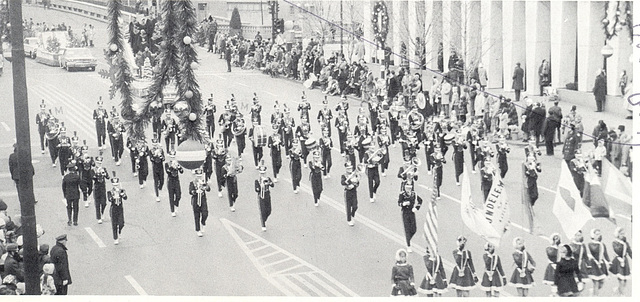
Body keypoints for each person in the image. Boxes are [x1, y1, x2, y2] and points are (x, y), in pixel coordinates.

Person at [398, 182, 422, 252]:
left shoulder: (414, 194)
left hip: (411, 212)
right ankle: (408, 245)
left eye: (409, 188)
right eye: (407, 188)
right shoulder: (402, 194)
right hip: (405, 212)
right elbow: (399, 203)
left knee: (414, 229)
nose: (408, 189)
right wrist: (403, 204)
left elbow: (420, 201)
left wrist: (416, 208)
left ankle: (407, 239)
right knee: (407, 229)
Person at [587, 228, 609, 296]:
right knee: (596, 282)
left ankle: (594, 291)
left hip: (601, 264)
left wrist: (609, 261)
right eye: (597, 234)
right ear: (593, 235)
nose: (599, 236)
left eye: (599, 234)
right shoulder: (590, 244)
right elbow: (589, 253)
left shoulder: (602, 244)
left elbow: (605, 254)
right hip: (593, 264)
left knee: (602, 282)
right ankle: (595, 296)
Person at [609, 227, 631, 296]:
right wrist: (623, 244)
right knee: (621, 280)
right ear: (617, 234)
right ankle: (622, 295)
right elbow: (618, 251)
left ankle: (618, 290)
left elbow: (630, 251)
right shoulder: (615, 242)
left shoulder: (625, 242)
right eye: (621, 234)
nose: (623, 235)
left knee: (625, 281)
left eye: (624, 234)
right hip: (618, 261)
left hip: (625, 261)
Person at [189, 168, 211, 237]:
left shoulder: (203, 181)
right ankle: (198, 230)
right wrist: (195, 192)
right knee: (196, 215)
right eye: (197, 175)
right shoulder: (192, 183)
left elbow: (208, 189)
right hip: (195, 200)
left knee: (205, 213)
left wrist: (206, 187)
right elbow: (190, 191)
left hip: (202, 198)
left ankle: (203, 222)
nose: (199, 177)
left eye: (200, 175)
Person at [107, 173, 127, 245]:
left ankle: (120, 231)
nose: (116, 186)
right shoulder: (110, 192)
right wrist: (113, 197)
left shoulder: (121, 190)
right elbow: (109, 199)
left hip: (120, 208)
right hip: (114, 208)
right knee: (114, 224)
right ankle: (115, 238)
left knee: (121, 223)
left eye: (117, 184)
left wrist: (123, 195)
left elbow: (125, 198)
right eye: (114, 184)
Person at [255, 161, 274, 231]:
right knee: (262, 210)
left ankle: (264, 219)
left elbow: (272, 185)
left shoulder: (268, 178)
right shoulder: (257, 180)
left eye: (264, 173)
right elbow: (256, 190)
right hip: (261, 196)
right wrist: (260, 186)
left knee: (269, 210)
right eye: (261, 173)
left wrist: (269, 182)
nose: (263, 175)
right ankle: (263, 224)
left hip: (267, 194)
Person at [90, 154, 109, 224]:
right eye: (98, 163)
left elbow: (108, 177)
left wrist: (104, 174)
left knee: (104, 203)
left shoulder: (103, 169)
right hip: (96, 187)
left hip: (103, 187)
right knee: (97, 203)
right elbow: (92, 177)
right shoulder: (93, 170)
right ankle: (98, 217)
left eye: (100, 163)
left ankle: (102, 212)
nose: (99, 164)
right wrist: (98, 173)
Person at [341, 161, 359, 226]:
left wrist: (355, 184)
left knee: (355, 206)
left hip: (354, 191)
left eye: (351, 168)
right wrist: (349, 182)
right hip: (348, 192)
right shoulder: (344, 175)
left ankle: (352, 215)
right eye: (348, 168)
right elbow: (342, 182)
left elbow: (357, 183)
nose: (350, 169)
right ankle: (349, 220)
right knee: (348, 207)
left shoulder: (354, 174)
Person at [149, 136, 165, 202]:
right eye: (153, 144)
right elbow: (151, 159)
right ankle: (157, 195)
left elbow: (164, 159)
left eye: (156, 144)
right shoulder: (151, 151)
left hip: (160, 166)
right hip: (155, 167)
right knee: (156, 181)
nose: (155, 145)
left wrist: (161, 156)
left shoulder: (160, 150)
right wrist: (155, 155)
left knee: (162, 180)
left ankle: (160, 186)